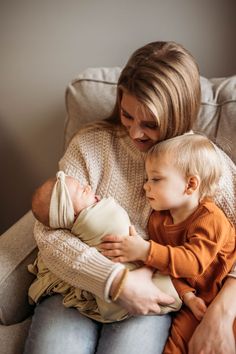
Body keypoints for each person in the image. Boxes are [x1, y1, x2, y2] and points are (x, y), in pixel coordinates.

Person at [23, 41, 236, 354]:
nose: (136, 133)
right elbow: (48, 231)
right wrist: (112, 281)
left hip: (150, 293)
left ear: (178, 113)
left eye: (150, 123)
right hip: (77, 287)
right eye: (127, 115)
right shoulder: (91, 145)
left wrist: (223, 312)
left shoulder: (203, 163)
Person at [100, 133, 236, 353]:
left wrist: (144, 250)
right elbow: (168, 269)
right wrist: (187, 296)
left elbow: (192, 263)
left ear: (190, 184)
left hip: (226, 299)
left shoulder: (211, 219)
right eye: (147, 179)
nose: (146, 186)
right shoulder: (157, 221)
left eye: (156, 179)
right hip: (193, 302)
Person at [28, 170, 181, 322]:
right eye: (82, 190)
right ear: (72, 214)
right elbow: (47, 233)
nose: (88, 186)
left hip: (141, 286)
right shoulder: (90, 217)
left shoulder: (183, 157)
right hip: (93, 280)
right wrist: (114, 280)